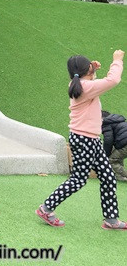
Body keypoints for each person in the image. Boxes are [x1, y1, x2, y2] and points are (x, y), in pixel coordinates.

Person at [36, 49, 125, 229]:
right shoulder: (86, 87)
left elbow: (91, 83)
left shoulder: (79, 85)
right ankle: (46, 208)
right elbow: (113, 80)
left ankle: (111, 220)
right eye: (90, 68)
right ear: (86, 72)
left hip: (90, 140)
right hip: (85, 140)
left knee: (108, 176)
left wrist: (92, 70)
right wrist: (117, 60)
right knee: (78, 179)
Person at [102, 110, 127, 182]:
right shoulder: (118, 121)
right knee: (117, 157)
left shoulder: (106, 123)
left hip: (125, 143)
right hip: (123, 143)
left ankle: (124, 175)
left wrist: (105, 155)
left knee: (111, 160)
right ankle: (120, 177)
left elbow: (108, 140)